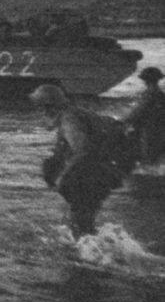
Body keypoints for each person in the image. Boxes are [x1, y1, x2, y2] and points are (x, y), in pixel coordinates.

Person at [30, 84, 132, 239]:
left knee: (79, 227)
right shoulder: (80, 112)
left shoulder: (69, 119)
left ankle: (92, 257)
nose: (40, 112)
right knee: (83, 223)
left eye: (40, 108)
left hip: (90, 176)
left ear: (48, 107)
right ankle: (99, 249)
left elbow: (83, 149)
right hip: (104, 174)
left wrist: (64, 176)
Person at [123, 67, 165, 165]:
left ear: (146, 80)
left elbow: (140, 110)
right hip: (159, 127)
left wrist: (126, 120)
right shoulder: (160, 94)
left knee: (146, 150)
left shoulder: (149, 94)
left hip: (149, 127)